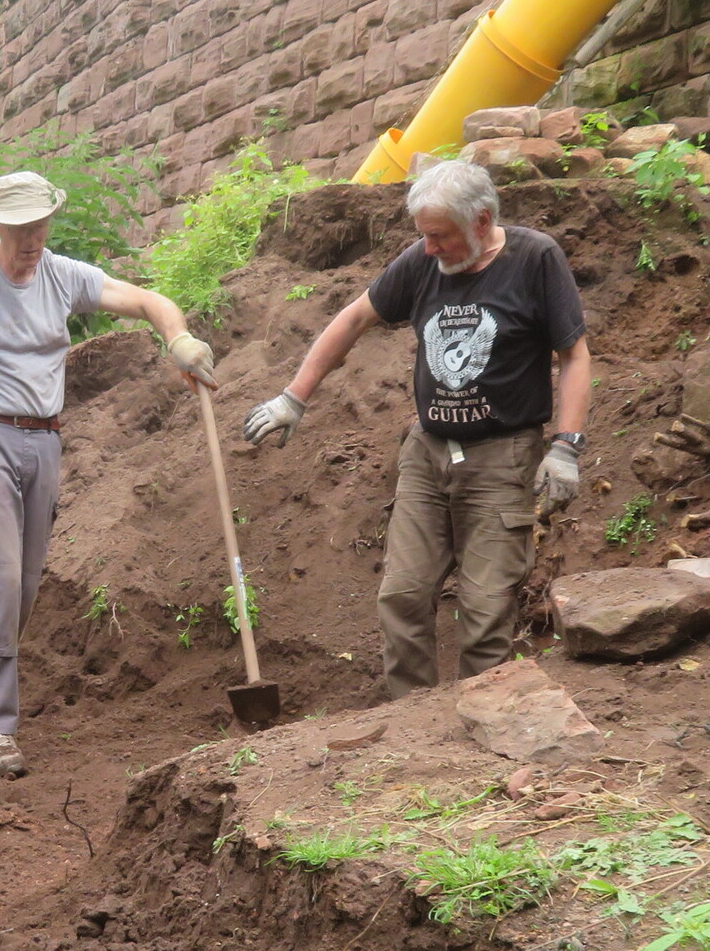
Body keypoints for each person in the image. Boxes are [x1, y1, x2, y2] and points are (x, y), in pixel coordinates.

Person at [243, 159, 592, 699]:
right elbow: (354, 318)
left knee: (485, 609)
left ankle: (486, 715)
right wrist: (294, 397)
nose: (429, 248)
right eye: (424, 236)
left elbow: (574, 355)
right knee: (403, 595)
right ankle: (411, 722)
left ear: (481, 221)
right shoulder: (423, 262)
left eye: (440, 236)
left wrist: (566, 446)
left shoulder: (534, 258)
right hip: (428, 455)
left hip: (502, 458)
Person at [0, 169, 217, 777]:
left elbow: (146, 301)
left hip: (45, 441)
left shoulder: (62, 274)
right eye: (21, 230)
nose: (33, 239)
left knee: (24, 587)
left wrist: (179, 340)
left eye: (41, 226)